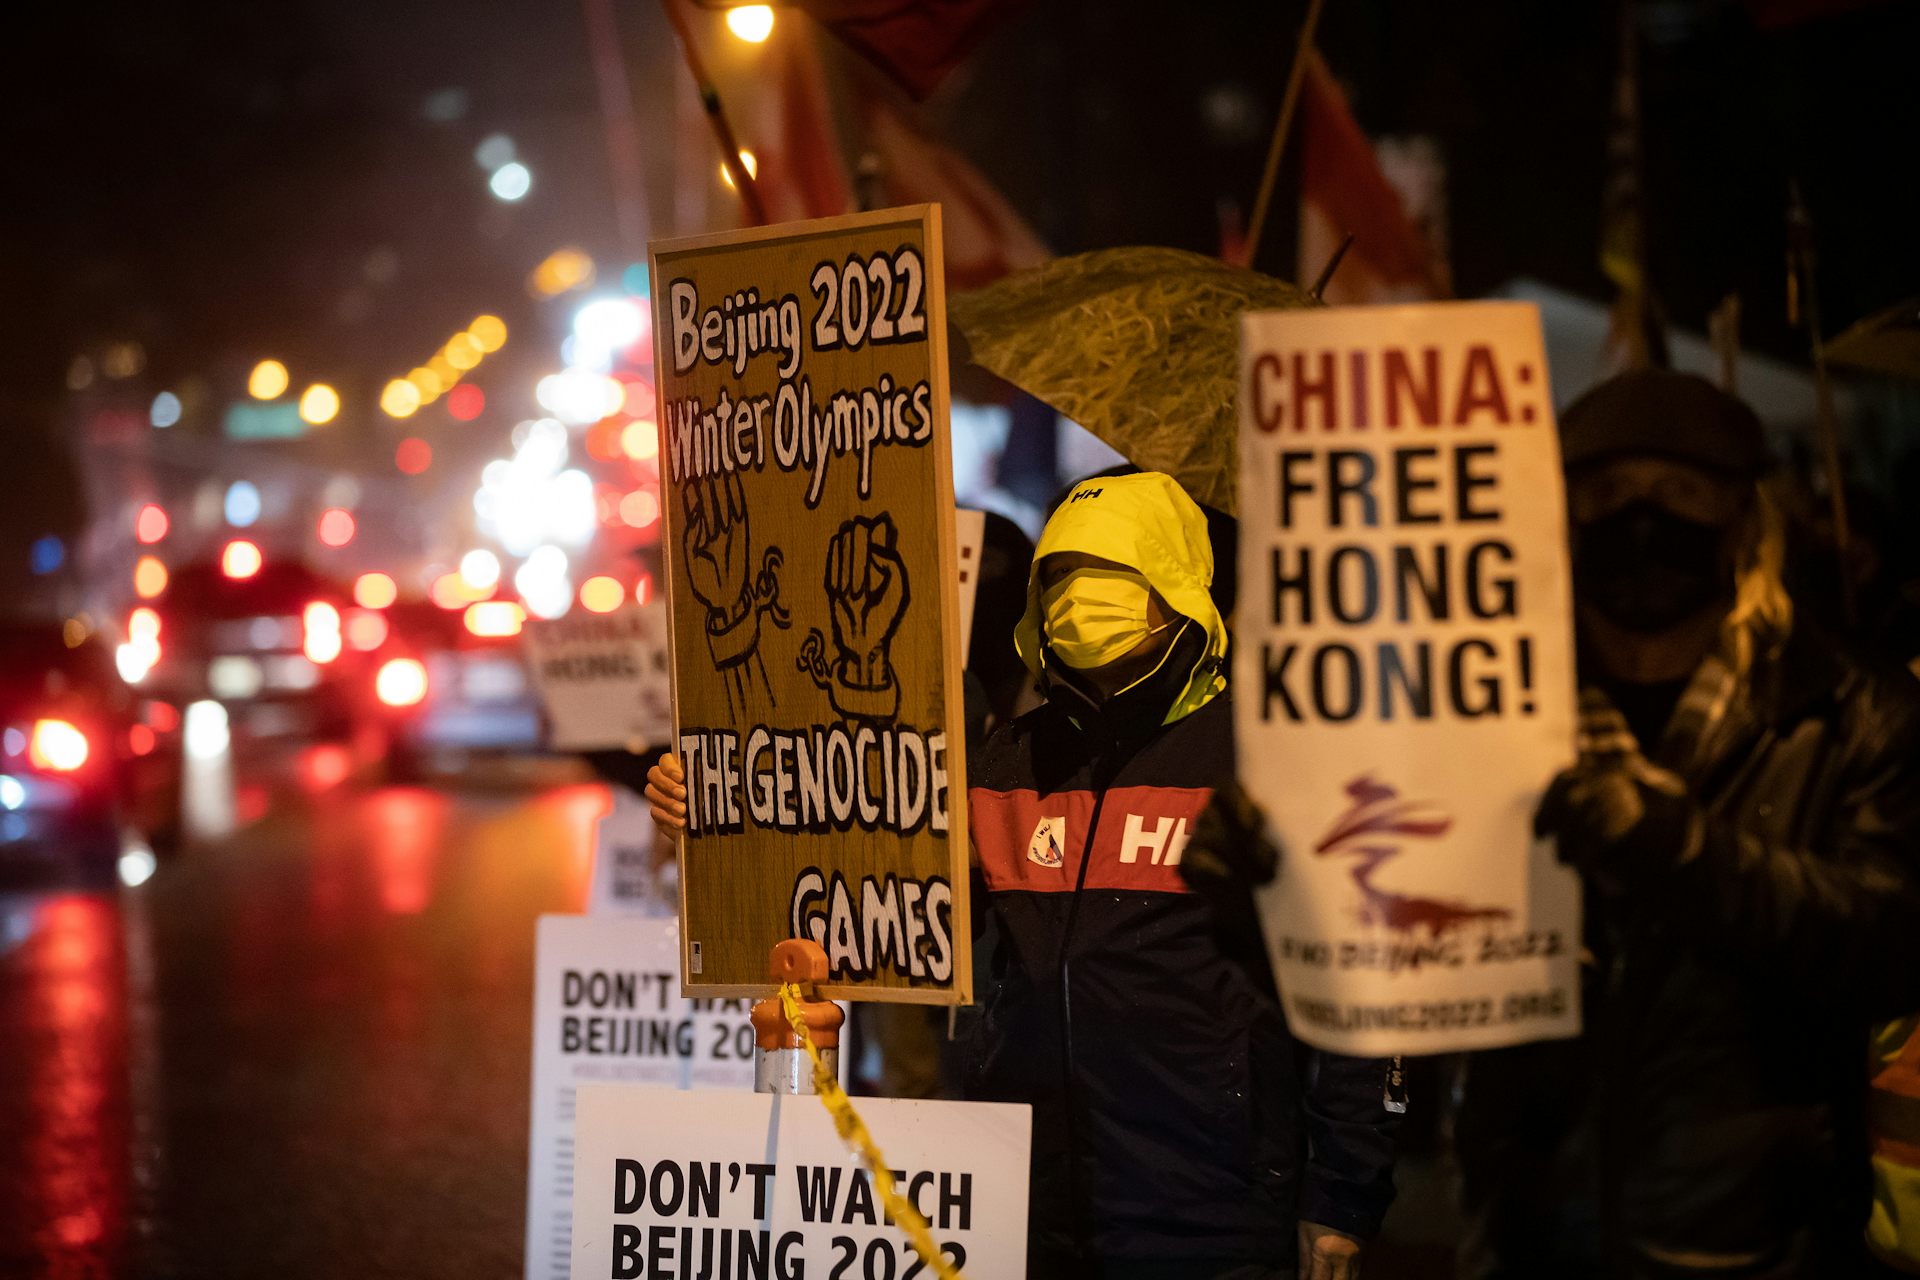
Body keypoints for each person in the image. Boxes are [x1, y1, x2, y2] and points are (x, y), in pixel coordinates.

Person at [649, 472, 1401, 1278]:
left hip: (1209, 1209)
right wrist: (724, 815)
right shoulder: (1007, 764)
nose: (1082, 599)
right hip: (1013, 1196)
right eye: (1062, 577)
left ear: (1179, 587)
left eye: (1112, 576)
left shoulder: (1271, 763)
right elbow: (857, 903)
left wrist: (1343, 1196)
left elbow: (1360, 998)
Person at [1453, 370, 1920, 1279]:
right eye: (1608, 493)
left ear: (1742, 519)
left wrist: (1683, 848)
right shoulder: (1490, 711)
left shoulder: (1854, 714)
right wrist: (1269, 893)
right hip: (1531, 1240)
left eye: (1680, 493)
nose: (1642, 519)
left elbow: (1892, 942)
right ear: (1566, 519)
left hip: (1757, 1245)